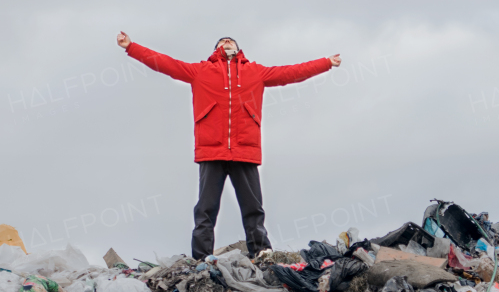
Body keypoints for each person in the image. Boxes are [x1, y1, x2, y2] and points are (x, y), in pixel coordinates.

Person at [117, 31, 340, 259]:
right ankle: (201, 259)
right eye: (222, 40)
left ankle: (262, 254)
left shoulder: (255, 72)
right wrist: (131, 47)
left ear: (238, 48)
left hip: (245, 150)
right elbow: (165, 63)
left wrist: (326, 63)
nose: (227, 41)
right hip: (212, 150)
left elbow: (292, 72)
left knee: (253, 209)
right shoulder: (200, 71)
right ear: (216, 49)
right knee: (205, 210)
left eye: (230, 40)